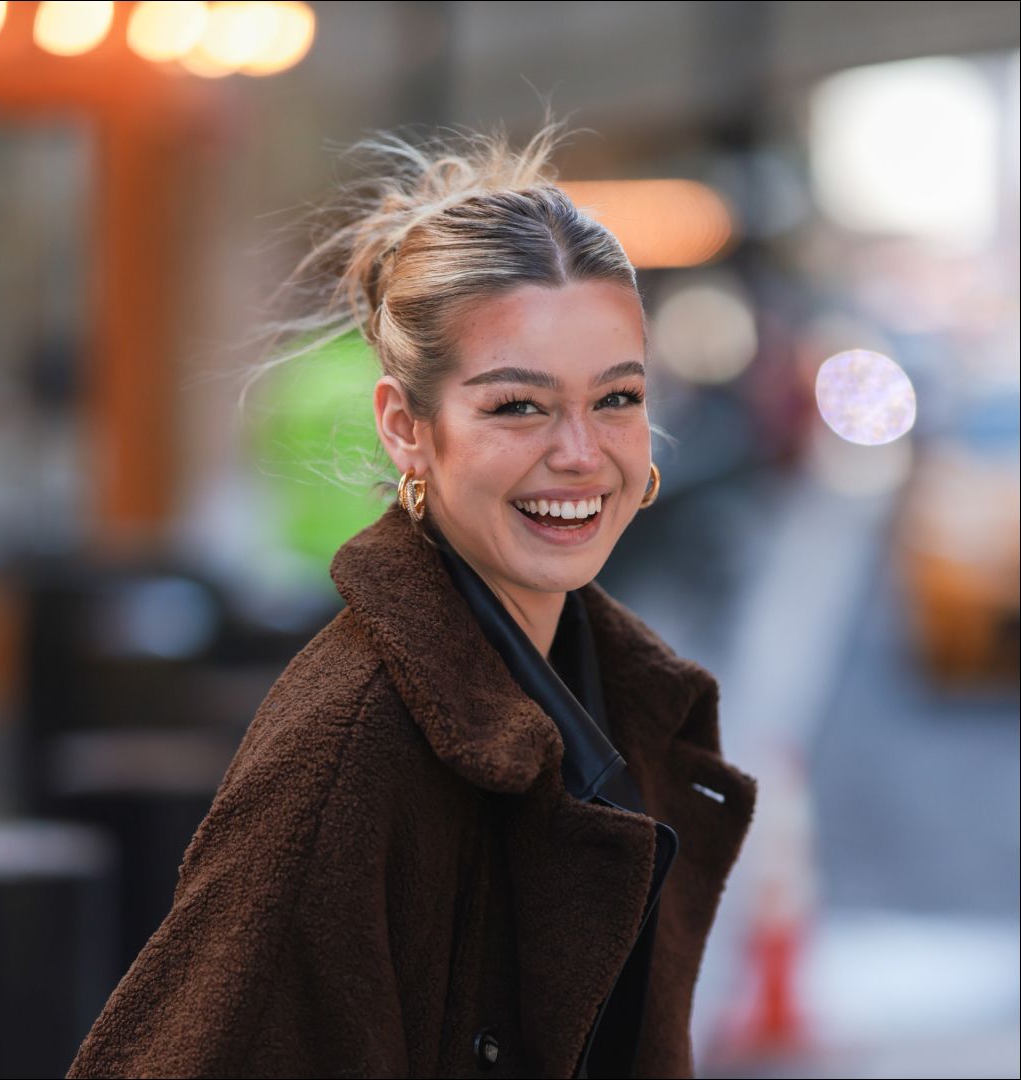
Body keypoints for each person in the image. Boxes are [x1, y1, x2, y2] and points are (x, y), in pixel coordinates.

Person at [65, 116, 758, 1080]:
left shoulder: (608, 691)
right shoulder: (352, 750)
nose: (580, 453)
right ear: (405, 427)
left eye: (617, 398)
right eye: (517, 404)